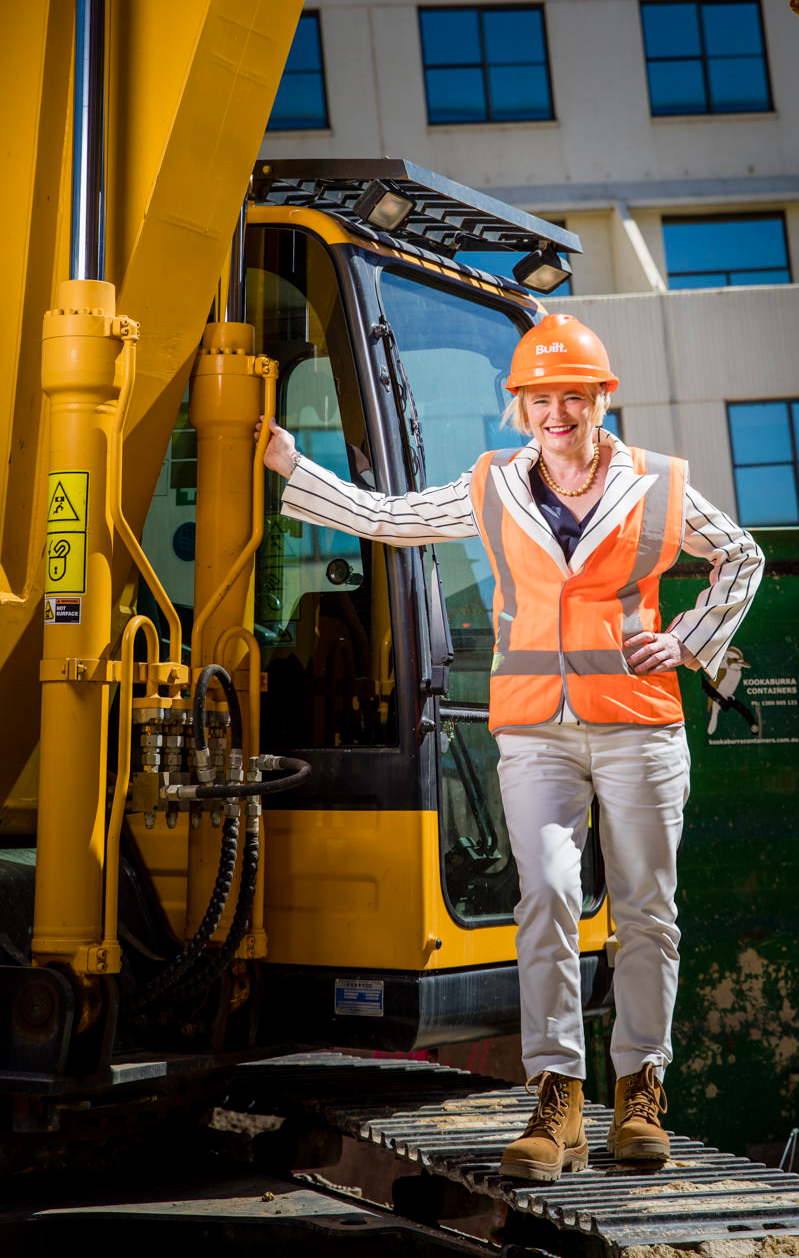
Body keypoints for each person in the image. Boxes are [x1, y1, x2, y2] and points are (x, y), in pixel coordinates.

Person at [255, 313, 763, 1182]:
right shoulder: (491, 484)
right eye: (539, 397)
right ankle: (556, 1097)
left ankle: (639, 1088)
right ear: (516, 405)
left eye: (573, 395)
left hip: (639, 725)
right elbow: (391, 518)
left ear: (603, 399)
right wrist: (292, 468)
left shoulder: (657, 485)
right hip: (533, 728)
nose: (555, 412)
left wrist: (686, 640)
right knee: (548, 899)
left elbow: (740, 558)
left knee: (644, 910)